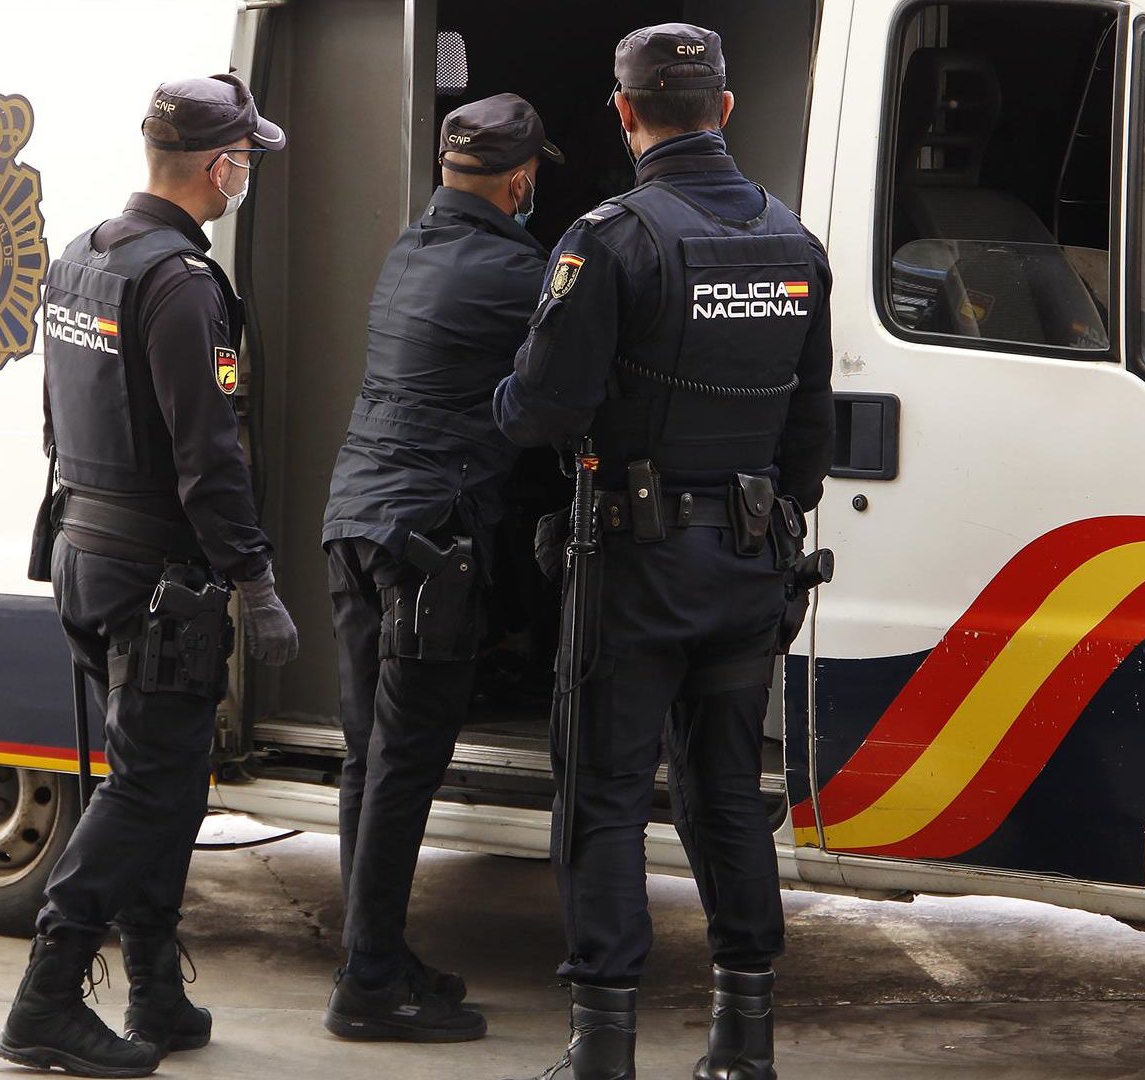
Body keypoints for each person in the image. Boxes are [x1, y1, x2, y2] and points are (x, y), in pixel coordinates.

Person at [494, 23, 834, 1080]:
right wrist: (769, 524)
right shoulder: (795, 243)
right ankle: (744, 1046)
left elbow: (543, 409)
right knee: (726, 793)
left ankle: (603, 1051)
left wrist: (505, 391)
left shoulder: (610, 239)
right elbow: (810, 434)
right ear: (724, 110)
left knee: (602, 792)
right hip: (750, 560)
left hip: (635, 570)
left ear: (624, 113)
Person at [0, 73, 299, 1079]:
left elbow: (57, 415)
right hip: (156, 578)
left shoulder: (85, 257)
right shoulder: (182, 285)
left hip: (84, 550)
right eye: (245, 158)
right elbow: (210, 454)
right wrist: (255, 580)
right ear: (219, 166)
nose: (247, 172)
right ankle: (48, 996)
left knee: (163, 785)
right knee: (145, 788)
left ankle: (156, 990)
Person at [317, 93, 558, 1044]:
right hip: (426, 546)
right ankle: (368, 987)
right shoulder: (518, 272)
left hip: (355, 522)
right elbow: (557, 395)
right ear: (521, 183)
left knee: (367, 756)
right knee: (405, 764)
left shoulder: (409, 250)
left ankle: (373, 953)